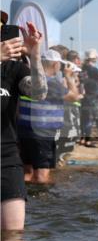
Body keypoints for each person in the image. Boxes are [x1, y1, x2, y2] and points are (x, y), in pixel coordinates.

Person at [1, 20, 46, 232]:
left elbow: (39, 93)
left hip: (7, 159)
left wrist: (35, 55)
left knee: (13, 239)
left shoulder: (14, 69)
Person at [18, 49, 80, 184]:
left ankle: (26, 198)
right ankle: (43, 201)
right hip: (43, 135)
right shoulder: (51, 83)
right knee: (42, 176)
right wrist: (69, 77)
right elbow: (74, 96)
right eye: (59, 64)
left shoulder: (28, 79)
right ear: (54, 65)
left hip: (24, 132)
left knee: (27, 172)